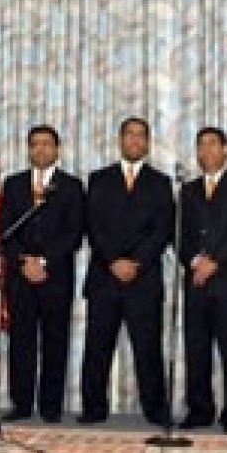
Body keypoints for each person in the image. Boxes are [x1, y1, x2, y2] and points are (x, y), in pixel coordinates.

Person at [80, 117, 175, 426]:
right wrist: (114, 261)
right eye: (129, 135)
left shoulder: (161, 183)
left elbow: (162, 230)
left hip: (143, 278)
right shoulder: (98, 179)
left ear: (147, 143)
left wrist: (136, 262)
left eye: (140, 136)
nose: (134, 141)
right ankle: (94, 408)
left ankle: (155, 409)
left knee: (148, 349)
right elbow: (93, 226)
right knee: (97, 348)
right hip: (104, 277)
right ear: (120, 140)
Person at [0, 125, 85, 424]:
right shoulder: (12, 184)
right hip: (20, 275)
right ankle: (21, 404)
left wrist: (44, 261)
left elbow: (74, 233)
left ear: (57, 150)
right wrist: (24, 261)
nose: (41, 149)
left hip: (56, 276)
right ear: (28, 149)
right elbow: (5, 232)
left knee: (55, 340)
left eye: (47, 144)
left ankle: (51, 406)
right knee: (21, 340)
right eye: (35, 144)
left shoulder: (71, 186)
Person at [177, 127, 227, 434]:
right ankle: (199, 409)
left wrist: (215, 261)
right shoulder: (188, 190)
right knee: (196, 348)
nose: (206, 151)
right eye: (201, 146)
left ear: (226, 150)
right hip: (196, 280)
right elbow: (180, 236)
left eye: (213, 144)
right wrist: (195, 261)